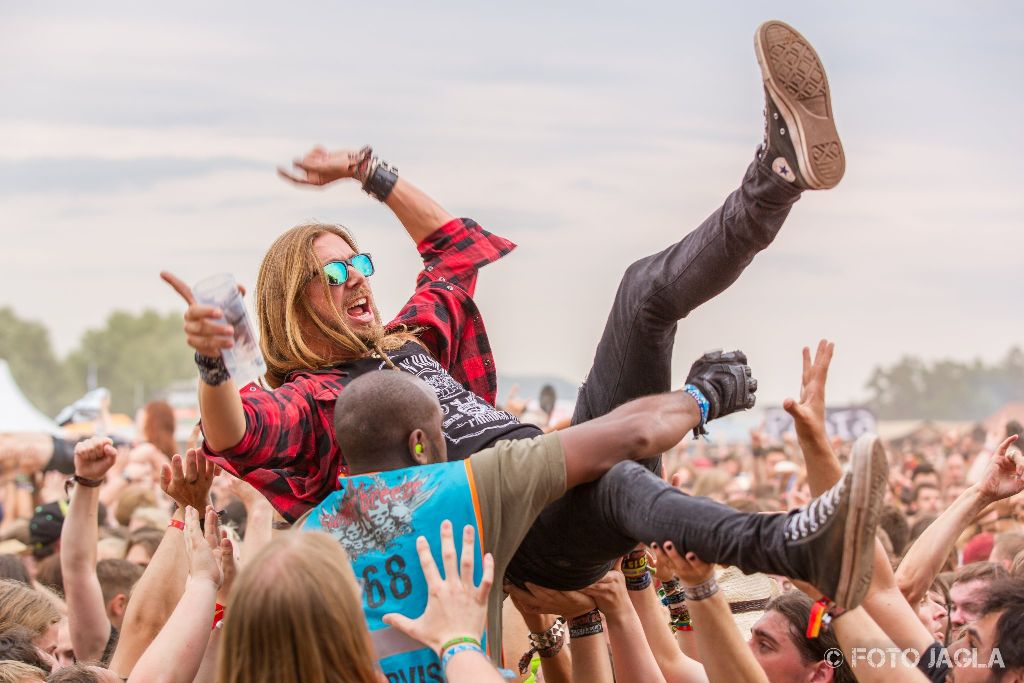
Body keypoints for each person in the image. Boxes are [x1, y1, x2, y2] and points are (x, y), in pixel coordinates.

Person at [161, 19, 843, 527]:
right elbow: (237, 433)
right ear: (292, 306)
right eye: (334, 272)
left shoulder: (410, 342)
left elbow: (453, 252)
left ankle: (778, 175)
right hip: (511, 525)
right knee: (619, 482)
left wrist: (368, 170)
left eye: (360, 262)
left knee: (643, 291)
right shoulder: (312, 400)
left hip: (549, 461)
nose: (359, 278)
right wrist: (213, 361)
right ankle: (789, 538)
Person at [301, 367, 888, 677]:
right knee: (621, 482)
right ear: (423, 443)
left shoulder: (302, 543)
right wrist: (703, 397)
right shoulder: (468, 483)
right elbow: (629, 435)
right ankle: (784, 543)